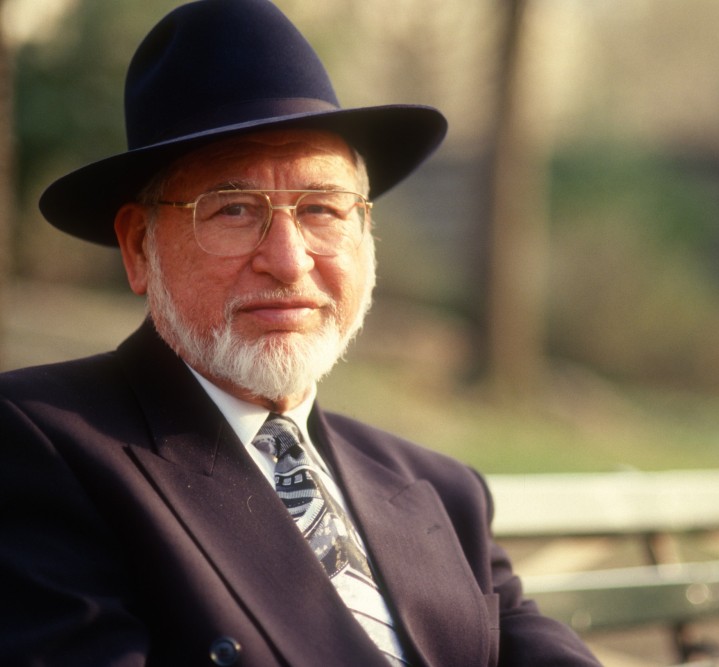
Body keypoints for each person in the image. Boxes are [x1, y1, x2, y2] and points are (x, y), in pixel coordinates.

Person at [0, 1, 602, 665]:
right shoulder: (40, 446)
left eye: (321, 209)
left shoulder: (443, 491)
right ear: (140, 246)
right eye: (233, 210)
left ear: (366, 234)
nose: (287, 261)